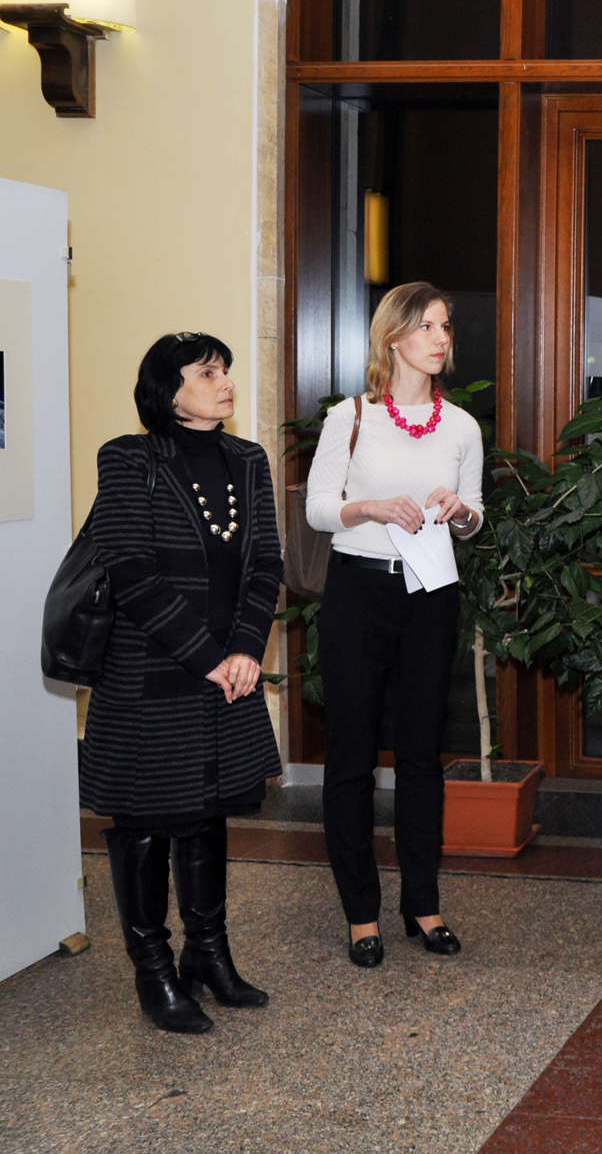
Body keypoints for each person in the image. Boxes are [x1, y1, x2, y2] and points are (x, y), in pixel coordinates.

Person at [80, 333, 284, 1033]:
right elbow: (132, 574)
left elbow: (266, 565)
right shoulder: (128, 458)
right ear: (169, 389)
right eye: (208, 372)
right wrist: (208, 657)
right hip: (150, 675)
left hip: (228, 670)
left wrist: (248, 649)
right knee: (143, 823)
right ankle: (154, 974)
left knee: (208, 813)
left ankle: (208, 956)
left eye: (225, 369)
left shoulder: (247, 459)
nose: (224, 381)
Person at [305, 283, 485, 968]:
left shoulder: (463, 426)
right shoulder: (351, 418)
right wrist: (372, 507)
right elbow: (320, 508)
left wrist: (459, 512)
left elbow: (473, 516)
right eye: (428, 326)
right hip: (358, 594)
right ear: (393, 337)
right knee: (350, 755)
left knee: (420, 754)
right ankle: (360, 913)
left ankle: (423, 903)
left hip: (430, 593)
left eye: (446, 326)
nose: (442, 339)